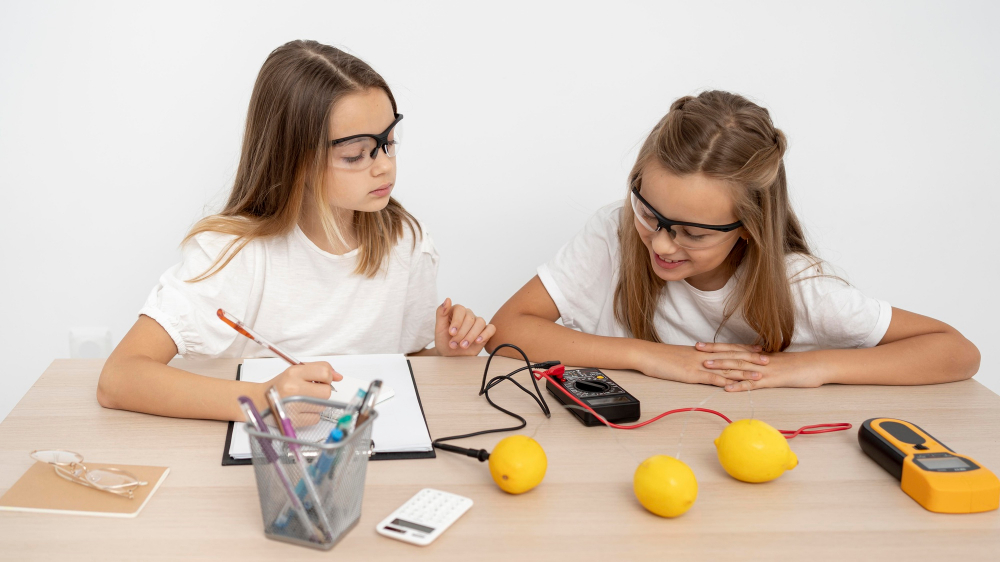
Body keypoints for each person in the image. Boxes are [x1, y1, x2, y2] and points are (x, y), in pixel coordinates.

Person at [97, 40, 494, 420]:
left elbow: (399, 363)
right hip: (268, 449)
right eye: (355, 155)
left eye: (389, 142)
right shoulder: (234, 252)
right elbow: (119, 378)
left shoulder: (406, 241)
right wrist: (264, 400)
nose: (385, 165)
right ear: (295, 161)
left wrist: (443, 355)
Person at [490, 91, 979, 391]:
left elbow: (956, 351)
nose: (662, 245)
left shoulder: (797, 286)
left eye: (694, 233)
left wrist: (810, 368)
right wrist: (652, 357)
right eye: (650, 214)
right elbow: (507, 329)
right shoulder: (614, 233)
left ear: (749, 226)